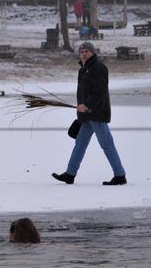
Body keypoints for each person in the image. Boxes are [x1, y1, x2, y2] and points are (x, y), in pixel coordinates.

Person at [52, 42, 127, 186]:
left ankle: (120, 175)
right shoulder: (83, 69)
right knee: (79, 144)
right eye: (82, 51)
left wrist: (87, 105)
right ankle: (70, 174)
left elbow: (100, 92)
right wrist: (81, 109)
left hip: (96, 113)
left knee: (106, 144)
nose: (84, 53)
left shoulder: (98, 68)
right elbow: (84, 92)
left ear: (93, 53)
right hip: (86, 115)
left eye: (87, 51)